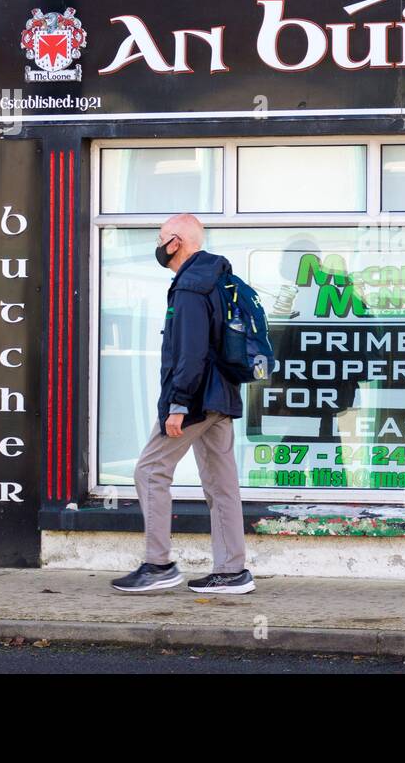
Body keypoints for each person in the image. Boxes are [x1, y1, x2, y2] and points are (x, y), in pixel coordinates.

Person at [111, 213, 255, 595]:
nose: (158, 246)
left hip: (195, 399)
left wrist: (178, 404)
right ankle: (232, 571)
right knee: (221, 484)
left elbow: (190, 351)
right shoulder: (220, 279)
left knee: (149, 470)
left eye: (161, 238)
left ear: (176, 241)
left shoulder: (191, 285)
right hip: (221, 397)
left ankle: (158, 564)